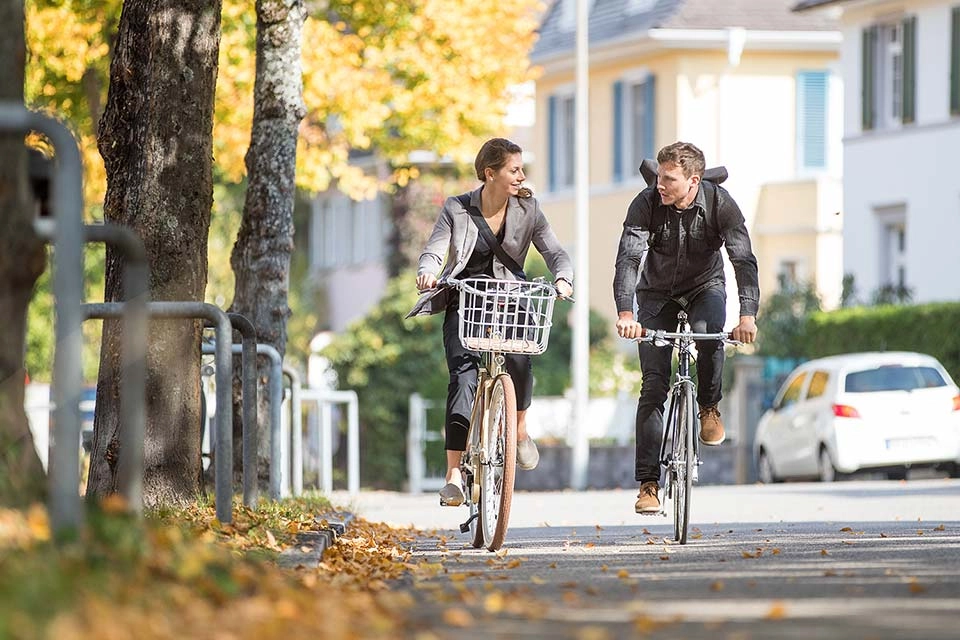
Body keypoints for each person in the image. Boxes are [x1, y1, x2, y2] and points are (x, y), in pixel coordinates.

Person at [407, 138, 574, 506]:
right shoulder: (457, 208)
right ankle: (453, 474)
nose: (521, 176)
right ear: (490, 173)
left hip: (511, 298)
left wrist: (563, 277)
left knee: (521, 361)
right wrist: (427, 271)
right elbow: (435, 249)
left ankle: (519, 430)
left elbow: (555, 252)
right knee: (463, 378)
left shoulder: (529, 209)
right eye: (514, 170)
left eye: (521, 169)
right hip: (466, 299)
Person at [613, 141, 759, 514]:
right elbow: (629, 258)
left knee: (710, 335)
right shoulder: (646, 203)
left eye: (669, 179)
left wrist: (747, 315)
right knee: (653, 386)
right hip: (655, 295)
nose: (660, 185)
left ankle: (708, 407)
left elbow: (742, 259)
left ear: (693, 180)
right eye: (659, 177)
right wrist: (626, 313)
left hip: (704, 287)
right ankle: (648, 484)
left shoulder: (720, 204)